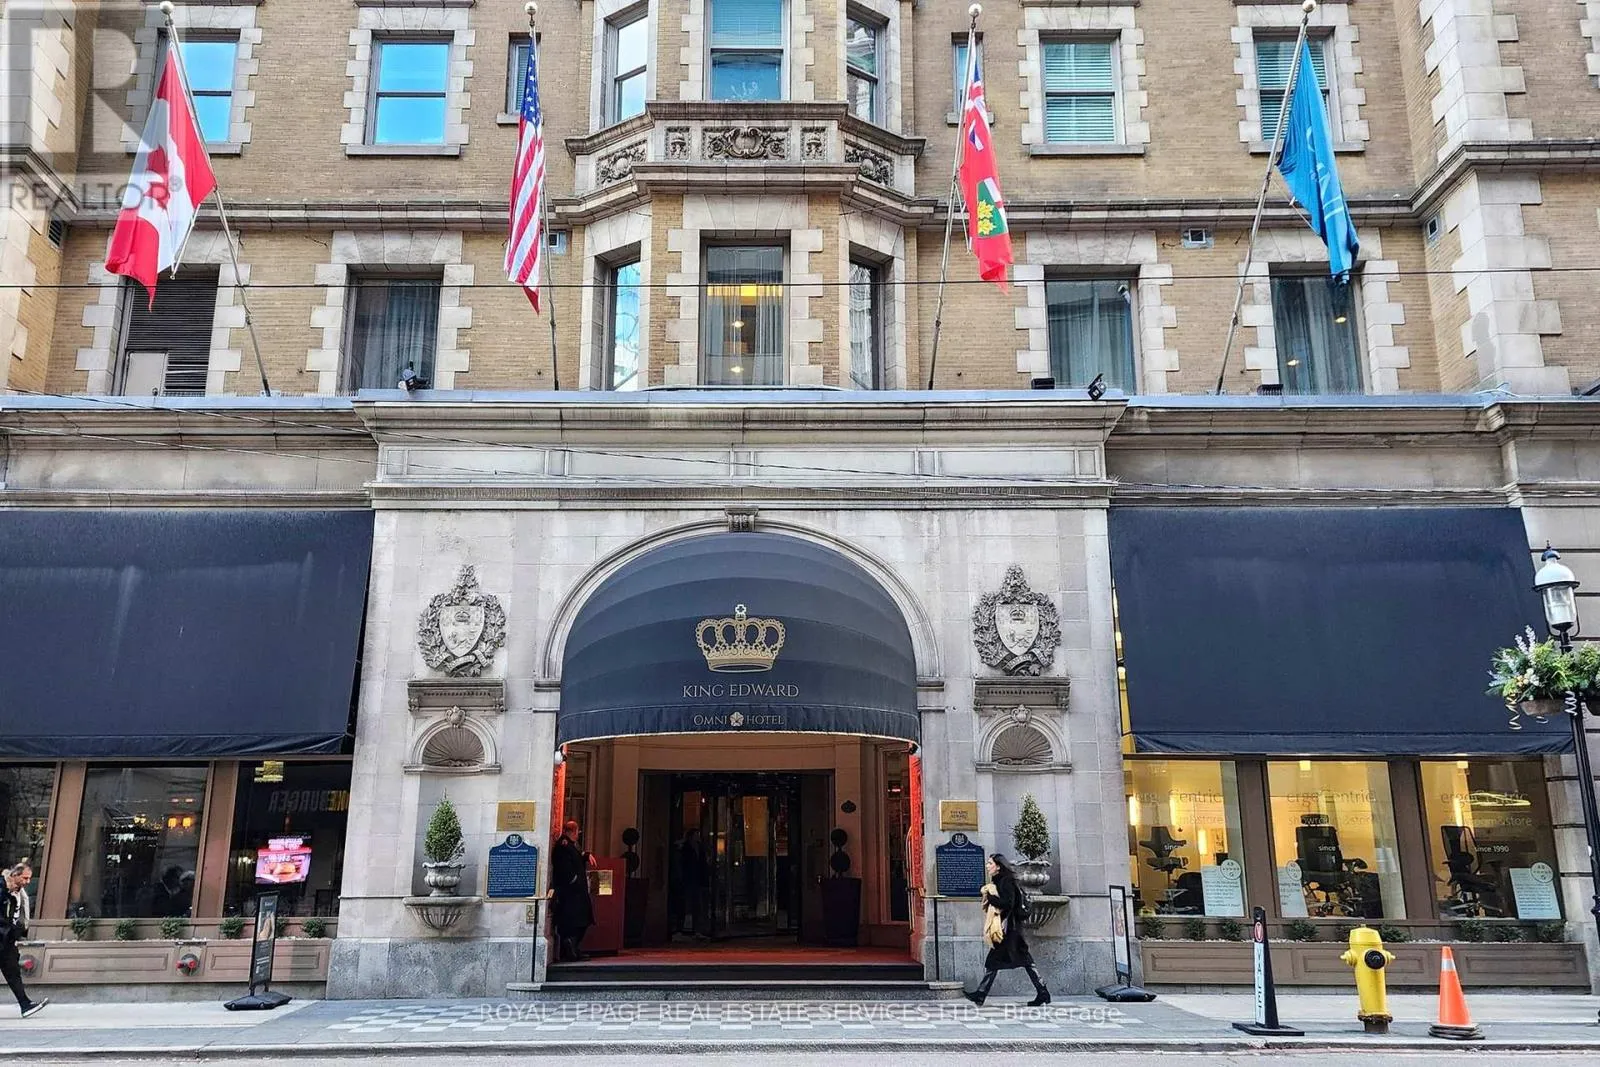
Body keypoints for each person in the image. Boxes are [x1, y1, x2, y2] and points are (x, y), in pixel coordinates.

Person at [964, 853, 1050, 1007]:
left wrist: (990, 898)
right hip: (1011, 929)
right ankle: (1042, 992)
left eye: (990, 863)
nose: (987, 866)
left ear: (998, 866)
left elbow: (1008, 903)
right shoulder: (1001, 880)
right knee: (1024, 960)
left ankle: (980, 994)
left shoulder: (1006, 881)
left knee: (996, 961)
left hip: (1009, 930)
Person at [1, 860, 47, 1018]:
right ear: (15, 875)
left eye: (29, 878)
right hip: (3, 936)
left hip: (6, 940)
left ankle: (25, 1005)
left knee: (13, 972)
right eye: (25, 878)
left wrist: (17, 930)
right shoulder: (2, 889)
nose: (28, 882)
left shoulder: (17, 892)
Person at [550, 820, 594, 962]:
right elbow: (564, 868)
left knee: (582, 919)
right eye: (577, 832)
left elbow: (577, 855)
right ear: (573, 832)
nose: (577, 835)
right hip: (571, 893)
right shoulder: (563, 846)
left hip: (576, 892)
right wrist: (573, 879)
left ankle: (573, 947)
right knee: (573, 921)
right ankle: (570, 947)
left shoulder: (569, 845)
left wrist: (586, 855)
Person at [677, 829, 706, 938]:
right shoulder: (685, 848)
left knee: (697, 905)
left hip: (697, 880)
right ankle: (684, 929)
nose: (698, 836)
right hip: (688, 880)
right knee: (687, 905)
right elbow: (682, 864)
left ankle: (696, 929)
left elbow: (702, 864)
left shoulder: (700, 848)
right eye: (696, 834)